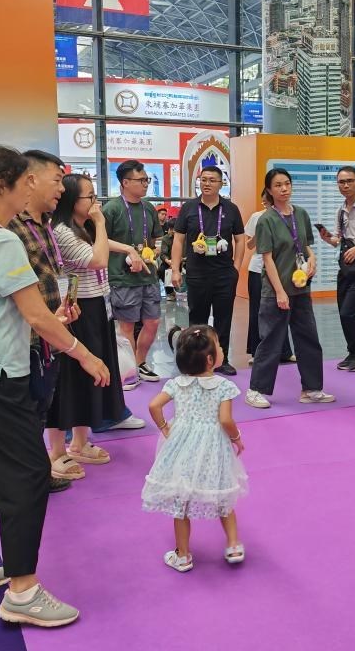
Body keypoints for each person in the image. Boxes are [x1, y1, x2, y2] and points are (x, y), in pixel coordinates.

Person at [0, 145, 109, 627]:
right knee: (27, 474)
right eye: (25, 181)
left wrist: (51, 322)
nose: (33, 188)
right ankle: (22, 590)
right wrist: (84, 353)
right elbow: (34, 314)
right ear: (4, 186)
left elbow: (16, 310)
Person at [141, 325, 248, 572]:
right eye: (219, 345)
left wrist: (165, 427)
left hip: (182, 447)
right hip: (213, 448)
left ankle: (183, 555)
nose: (222, 349)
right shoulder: (223, 386)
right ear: (210, 360)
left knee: (181, 502)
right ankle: (233, 545)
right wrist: (237, 438)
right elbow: (225, 420)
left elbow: (154, 406)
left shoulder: (177, 384)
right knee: (223, 496)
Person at [7, 151, 83, 490]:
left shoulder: (46, 224)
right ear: (31, 179)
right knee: (24, 414)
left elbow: (51, 275)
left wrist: (63, 310)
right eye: (57, 180)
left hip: (50, 334)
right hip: (25, 339)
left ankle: (36, 473)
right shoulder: (10, 228)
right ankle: (27, 480)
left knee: (40, 407)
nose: (62, 189)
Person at [48, 173, 130, 470]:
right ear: (72, 200)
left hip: (97, 306)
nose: (96, 202)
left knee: (93, 377)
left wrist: (128, 248)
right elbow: (98, 259)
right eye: (90, 196)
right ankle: (57, 450)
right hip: (76, 311)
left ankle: (80, 442)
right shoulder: (62, 231)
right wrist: (101, 222)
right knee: (70, 380)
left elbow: (102, 247)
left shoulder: (82, 227)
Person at [245, 168, 334, 409]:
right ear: (269, 190)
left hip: (301, 287)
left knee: (309, 338)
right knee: (271, 340)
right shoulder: (266, 220)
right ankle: (255, 390)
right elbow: (267, 258)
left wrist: (312, 258)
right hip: (276, 290)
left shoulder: (301, 214)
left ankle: (311, 388)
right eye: (278, 185)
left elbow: (304, 246)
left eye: (287, 183)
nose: (284, 189)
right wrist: (280, 292)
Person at [170, 165, 246, 376]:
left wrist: (236, 268)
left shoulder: (231, 209)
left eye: (212, 180)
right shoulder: (189, 208)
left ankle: (222, 360)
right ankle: (197, 361)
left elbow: (240, 240)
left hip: (224, 274)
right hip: (197, 274)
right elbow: (178, 240)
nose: (207, 184)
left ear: (221, 184)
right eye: (203, 179)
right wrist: (175, 269)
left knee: (224, 318)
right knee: (197, 319)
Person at [103, 160, 164, 389]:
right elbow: (100, 241)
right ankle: (128, 371)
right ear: (125, 182)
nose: (146, 184)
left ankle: (139, 363)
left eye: (147, 180)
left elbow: (157, 239)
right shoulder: (112, 209)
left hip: (148, 275)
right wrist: (128, 252)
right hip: (122, 277)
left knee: (153, 322)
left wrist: (154, 252)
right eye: (141, 180)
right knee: (127, 327)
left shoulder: (148, 208)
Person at [318, 166, 355, 372]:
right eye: (341, 182)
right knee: (343, 313)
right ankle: (354, 351)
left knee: (350, 312)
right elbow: (339, 240)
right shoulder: (340, 210)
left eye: (350, 181)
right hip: (346, 268)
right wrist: (327, 238)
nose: (346, 185)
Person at [244, 190, 294, 365]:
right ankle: (256, 351)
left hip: (281, 270)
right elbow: (249, 245)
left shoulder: (286, 216)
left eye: (268, 202)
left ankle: (285, 351)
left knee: (283, 310)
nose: (266, 205)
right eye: (264, 202)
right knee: (258, 310)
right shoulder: (257, 217)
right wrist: (259, 233)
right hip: (258, 270)